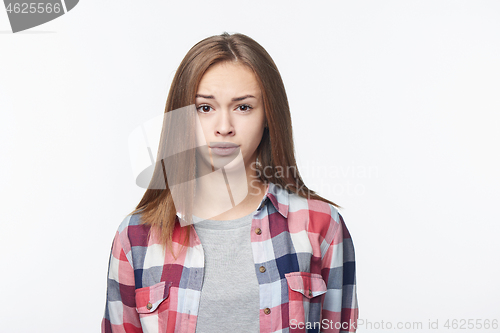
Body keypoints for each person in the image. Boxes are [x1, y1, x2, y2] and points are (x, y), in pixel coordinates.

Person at [101, 31, 358, 333]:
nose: (224, 127)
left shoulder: (321, 226)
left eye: (243, 107)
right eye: (205, 108)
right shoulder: (136, 237)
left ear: (268, 116)